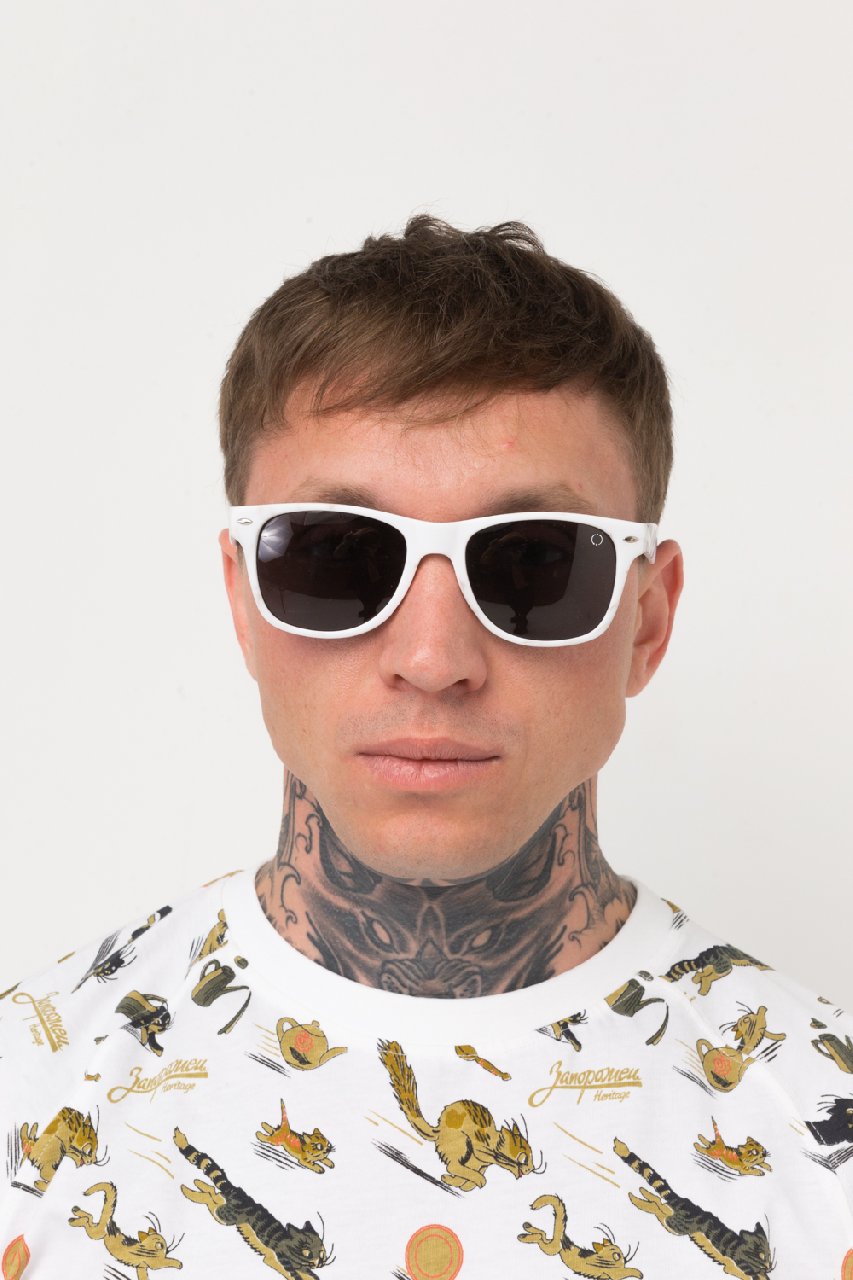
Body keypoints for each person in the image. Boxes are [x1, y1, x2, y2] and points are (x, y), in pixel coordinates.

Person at [1, 217, 850, 1280]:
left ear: (646, 620)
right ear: (242, 601)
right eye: (335, 556)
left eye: (536, 563)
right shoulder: (28, 1091)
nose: (433, 658)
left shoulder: (823, 1124)